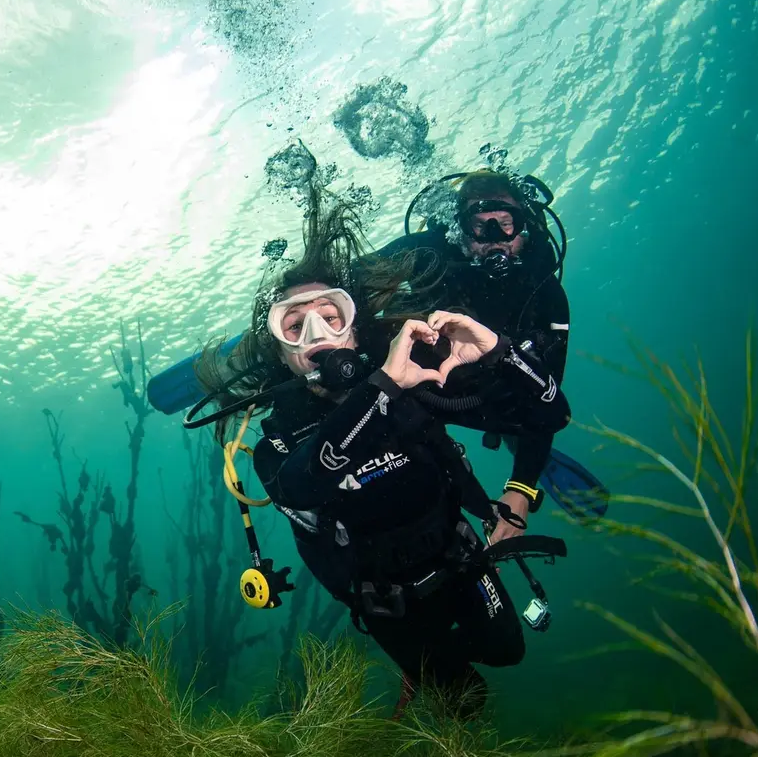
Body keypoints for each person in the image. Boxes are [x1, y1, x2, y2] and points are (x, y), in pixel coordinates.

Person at [195, 187, 570, 718]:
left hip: (461, 558)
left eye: (332, 316)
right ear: (280, 350)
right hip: (385, 600)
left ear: (355, 330)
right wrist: (380, 392)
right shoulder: (278, 440)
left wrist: (501, 354)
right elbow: (304, 484)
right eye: (294, 326)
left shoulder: (411, 383)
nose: (316, 334)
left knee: (508, 652)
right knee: (462, 700)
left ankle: (438, 663)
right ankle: (425, 674)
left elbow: (549, 416)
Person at [364, 169, 572, 546]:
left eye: (505, 224)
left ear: (523, 228)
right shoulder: (430, 252)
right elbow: (355, 276)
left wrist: (522, 489)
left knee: (527, 415)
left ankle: (516, 450)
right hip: (423, 392)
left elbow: (549, 398)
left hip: (496, 399)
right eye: (480, 226)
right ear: (459, 229)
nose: (495, 240)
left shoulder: (545, 291)